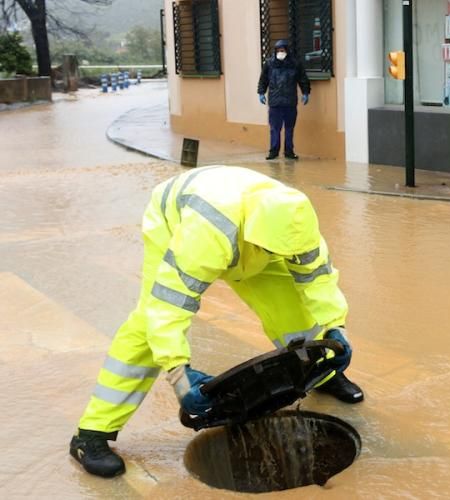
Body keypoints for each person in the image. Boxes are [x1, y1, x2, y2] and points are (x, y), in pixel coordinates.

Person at [70, 166, 364, 478]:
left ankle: (320, 376)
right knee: (146, 326)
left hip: (250, 234)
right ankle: (92, 434)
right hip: (176, 223)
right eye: (271, 249)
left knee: (293, 309)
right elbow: (168, 307)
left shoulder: (295, 221)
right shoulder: (207, 232)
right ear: (256, 236)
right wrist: (179, 376)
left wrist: (336, 328)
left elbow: (317, 280)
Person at [258, 40, 310, 161]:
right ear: (275, 51)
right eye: (278, 50)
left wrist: (306, 92)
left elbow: (303, 79)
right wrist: (261, 92)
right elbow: (263, 79)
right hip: (275, 102)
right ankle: (273, 151)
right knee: (274, 128)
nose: (280, 52)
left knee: (289, 128)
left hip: (290, 102)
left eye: (282, 50)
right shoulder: (269, 64)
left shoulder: (295, 64)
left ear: (287, 50)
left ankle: (289, 151)